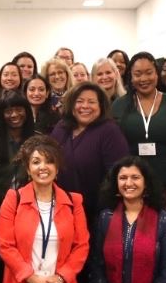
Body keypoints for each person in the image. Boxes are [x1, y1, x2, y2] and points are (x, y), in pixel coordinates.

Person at [0, 136, 90, 283]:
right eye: (36, 162)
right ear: (28, 169)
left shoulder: (74, 201)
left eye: (49, 161)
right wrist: (30, 277)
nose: (43, 167)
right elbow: (5, 245)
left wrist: (62, 276)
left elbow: (82, 246)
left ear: (57, 168)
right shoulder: (13, 199)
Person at [111, 52, 166, 205]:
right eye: (138, 74)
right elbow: (112, 146)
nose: (143, 79)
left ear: (157, 74)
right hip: (129, 188)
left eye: (149, 72)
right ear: (131, 77)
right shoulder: (119, 105)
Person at [50, 83, 131, 226]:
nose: (85, 106)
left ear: (101, 106)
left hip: (96, 212)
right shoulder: (61, 127)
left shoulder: (110, 131)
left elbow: (119, 173)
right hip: (61, 208)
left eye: (91, 102)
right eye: (80, 101)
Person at [0, 93, 35, 206]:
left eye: (19, 110)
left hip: (30, 204)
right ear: (1, 115)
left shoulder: (37, 139)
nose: (14, 115)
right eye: (8, 111)